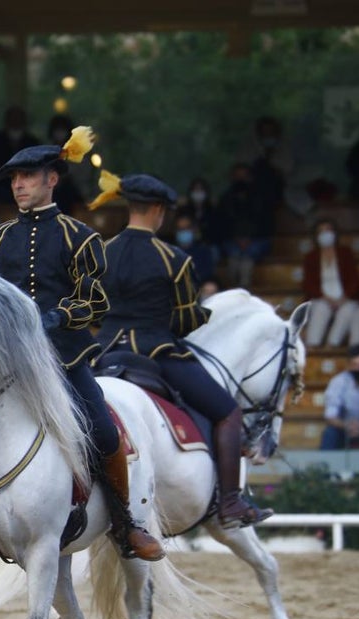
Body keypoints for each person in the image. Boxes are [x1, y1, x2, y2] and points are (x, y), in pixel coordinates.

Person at [0, 128, 163, 563]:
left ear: (53, 179)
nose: (18, 185)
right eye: (14, 179)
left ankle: (125, 522)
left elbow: (95, 302)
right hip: (3, 366)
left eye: (28, 176)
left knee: (105, 432)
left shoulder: (81, 237)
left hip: (64, 360)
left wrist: (52, 318)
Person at [91, 171, 273, 531]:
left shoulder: (101, 251)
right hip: (155, 352)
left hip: (105, 353)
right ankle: (231, 502)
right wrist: (203, 312)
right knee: (229, 413)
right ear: (158, 210)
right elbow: (186, 319)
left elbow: (92, 308)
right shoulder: (173, 258)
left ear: (131, 207)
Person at [301, 218, 359, 348]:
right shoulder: (311, 256)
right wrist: (327, 299)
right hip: (322, 298)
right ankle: (313, 346)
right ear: (316, 236)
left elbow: (355, 280)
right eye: (321, 231)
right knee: (320, 309)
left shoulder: (345, 253)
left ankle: (332, 346)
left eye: (328, 230)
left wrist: (343, 298)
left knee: (347, 311)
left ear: (335, 233)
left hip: (346, 298)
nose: (325, 234)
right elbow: (308, 284)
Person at [216, 162, 275, 289]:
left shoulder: (261, 199)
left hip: (256, 240)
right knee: (234, 259)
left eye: (244, 176)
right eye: (238, 176)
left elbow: (266, 224)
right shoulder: (225, 199)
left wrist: (249, 238)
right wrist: (237, 238)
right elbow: (221, 225)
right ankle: (232, 290)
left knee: (247, 260)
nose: (240, 180)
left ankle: (244, 289)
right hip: (232, 241)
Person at [173, 211, 218, 286]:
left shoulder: (204, 252)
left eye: (187, 228)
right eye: (181, 229)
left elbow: (208, 275)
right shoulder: (169, 252)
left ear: (194, 229)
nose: (184, 232)